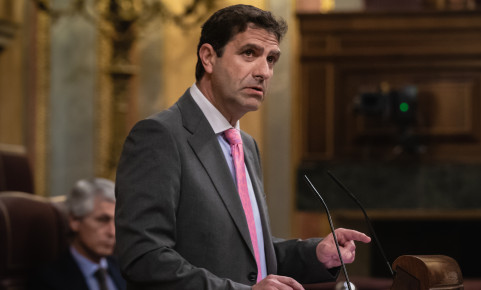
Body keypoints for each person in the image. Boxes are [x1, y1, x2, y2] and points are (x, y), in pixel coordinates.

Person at [114, 4, 370, 290]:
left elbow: (248, 254)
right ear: (209, 57)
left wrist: (315, 254)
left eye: (271, 59)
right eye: (249, 53)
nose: (264, 72)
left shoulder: (245, 145)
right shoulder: (159, 136)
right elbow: (144, 257)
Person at [29, 178, 126, 290]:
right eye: (103, 220)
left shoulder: (126, 270)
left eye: (115, 222)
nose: (113, 232)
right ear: (74, 221)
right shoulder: (48, 280)